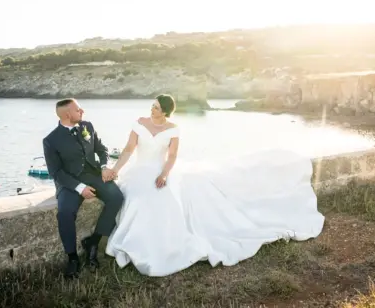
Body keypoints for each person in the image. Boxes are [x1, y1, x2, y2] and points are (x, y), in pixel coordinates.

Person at [105, 94, 324, 276]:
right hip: (139, 172)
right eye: (152, 106)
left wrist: (164, 174)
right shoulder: (140, 123)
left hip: (162, 171)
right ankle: (140, 246)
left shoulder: (173, 129)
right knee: (139, 198)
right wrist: (116, 169)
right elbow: (128, 150)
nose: (153, 110)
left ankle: (165, 249)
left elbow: (171, 156)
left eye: (157, 108)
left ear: (165, 112)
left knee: (165, 197)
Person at [43, 98, 124, 278]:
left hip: (94, 175)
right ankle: (72, 258)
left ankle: (93, 242)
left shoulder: (87, 126)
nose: (83, 112)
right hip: (69, 182)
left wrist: (104, 167)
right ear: (67, 114)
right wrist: (80, 188)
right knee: (65, 212)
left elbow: (102, 149)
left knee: (117, 198)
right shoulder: (51, 140)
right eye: (78, 109)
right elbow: (56, 172)